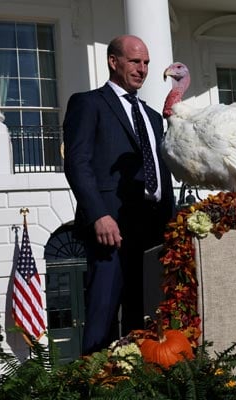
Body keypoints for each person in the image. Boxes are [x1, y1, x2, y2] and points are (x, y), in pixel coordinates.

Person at [63, 35, 175, 354]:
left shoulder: (153, 117)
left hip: (151, 230)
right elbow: (77, 162)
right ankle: (96, 383)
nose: (142, 69)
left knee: (146, 318)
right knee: (104, 315)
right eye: (135, 61)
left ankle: (138, 384)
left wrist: (172, 223)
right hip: (109, 228)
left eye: (146, 63)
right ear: (114, 61)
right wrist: (98, 213)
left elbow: (161, 171)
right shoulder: (88, 103)